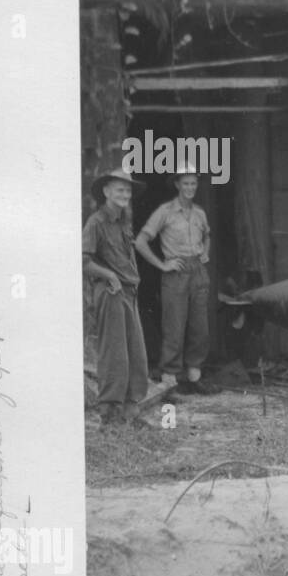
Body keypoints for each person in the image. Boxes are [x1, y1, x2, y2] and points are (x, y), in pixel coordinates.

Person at [136, 168, 218, 394]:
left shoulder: (200, 213)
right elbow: (141, 241)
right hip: (176, 271)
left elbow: (207, 235)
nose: (190, 188)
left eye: (193, 184)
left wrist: (205, 252)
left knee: (199, 327)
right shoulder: (165, 211)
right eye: (186, 184)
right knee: (174, 326)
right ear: (177, 185)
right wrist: (163, 264)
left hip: (197, 271)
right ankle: (170, 380)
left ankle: (194, 377)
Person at [82, 166, 150, 427]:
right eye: (120, 189)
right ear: (107, 191)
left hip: (128, 292)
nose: (125, 193)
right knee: (114, 355)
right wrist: (109, 276)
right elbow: (82, 260)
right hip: (111, 292)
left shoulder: (123, 220)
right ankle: (110, 418)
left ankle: (131, 414)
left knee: (136, 354)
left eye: (128, 189)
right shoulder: (96, 222)